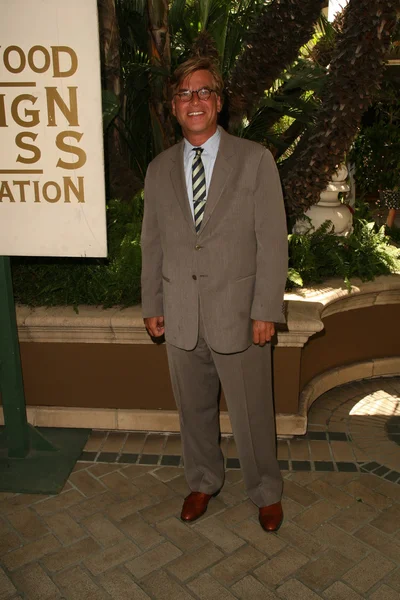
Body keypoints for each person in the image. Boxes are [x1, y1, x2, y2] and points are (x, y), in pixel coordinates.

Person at [141, 56, 288, 532]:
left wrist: (266, 308)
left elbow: (272, 239)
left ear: (219, 103)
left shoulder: (255, 159)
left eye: (203, 91)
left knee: (253, 413)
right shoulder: (159, 169)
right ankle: (203, 480)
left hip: (241, 314)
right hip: (181, 313)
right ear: (174, 107)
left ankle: (265, 490)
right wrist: (152, 304)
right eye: (184, 94)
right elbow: (153, 243)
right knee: (194, 410)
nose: (194, 101)